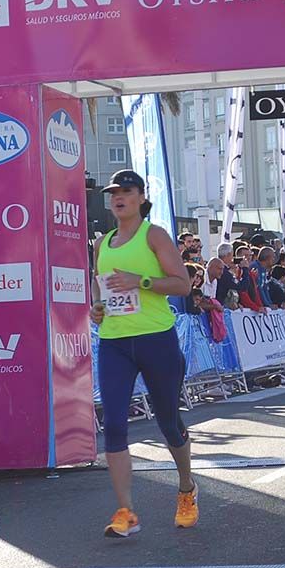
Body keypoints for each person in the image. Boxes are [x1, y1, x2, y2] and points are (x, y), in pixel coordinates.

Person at [90, 169, 195, 539]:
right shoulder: (102, 243)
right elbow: (98, 286)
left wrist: (142, 282)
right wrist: (97, 308)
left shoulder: (155, 236)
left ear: (140, 197)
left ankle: (186, 488)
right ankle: (126, 511)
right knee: (114, 425)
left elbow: (182, 284)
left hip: (156, 339)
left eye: (126, 191)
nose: (118, 197)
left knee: (168, 422)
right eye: (113, 192)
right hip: (115, 342)